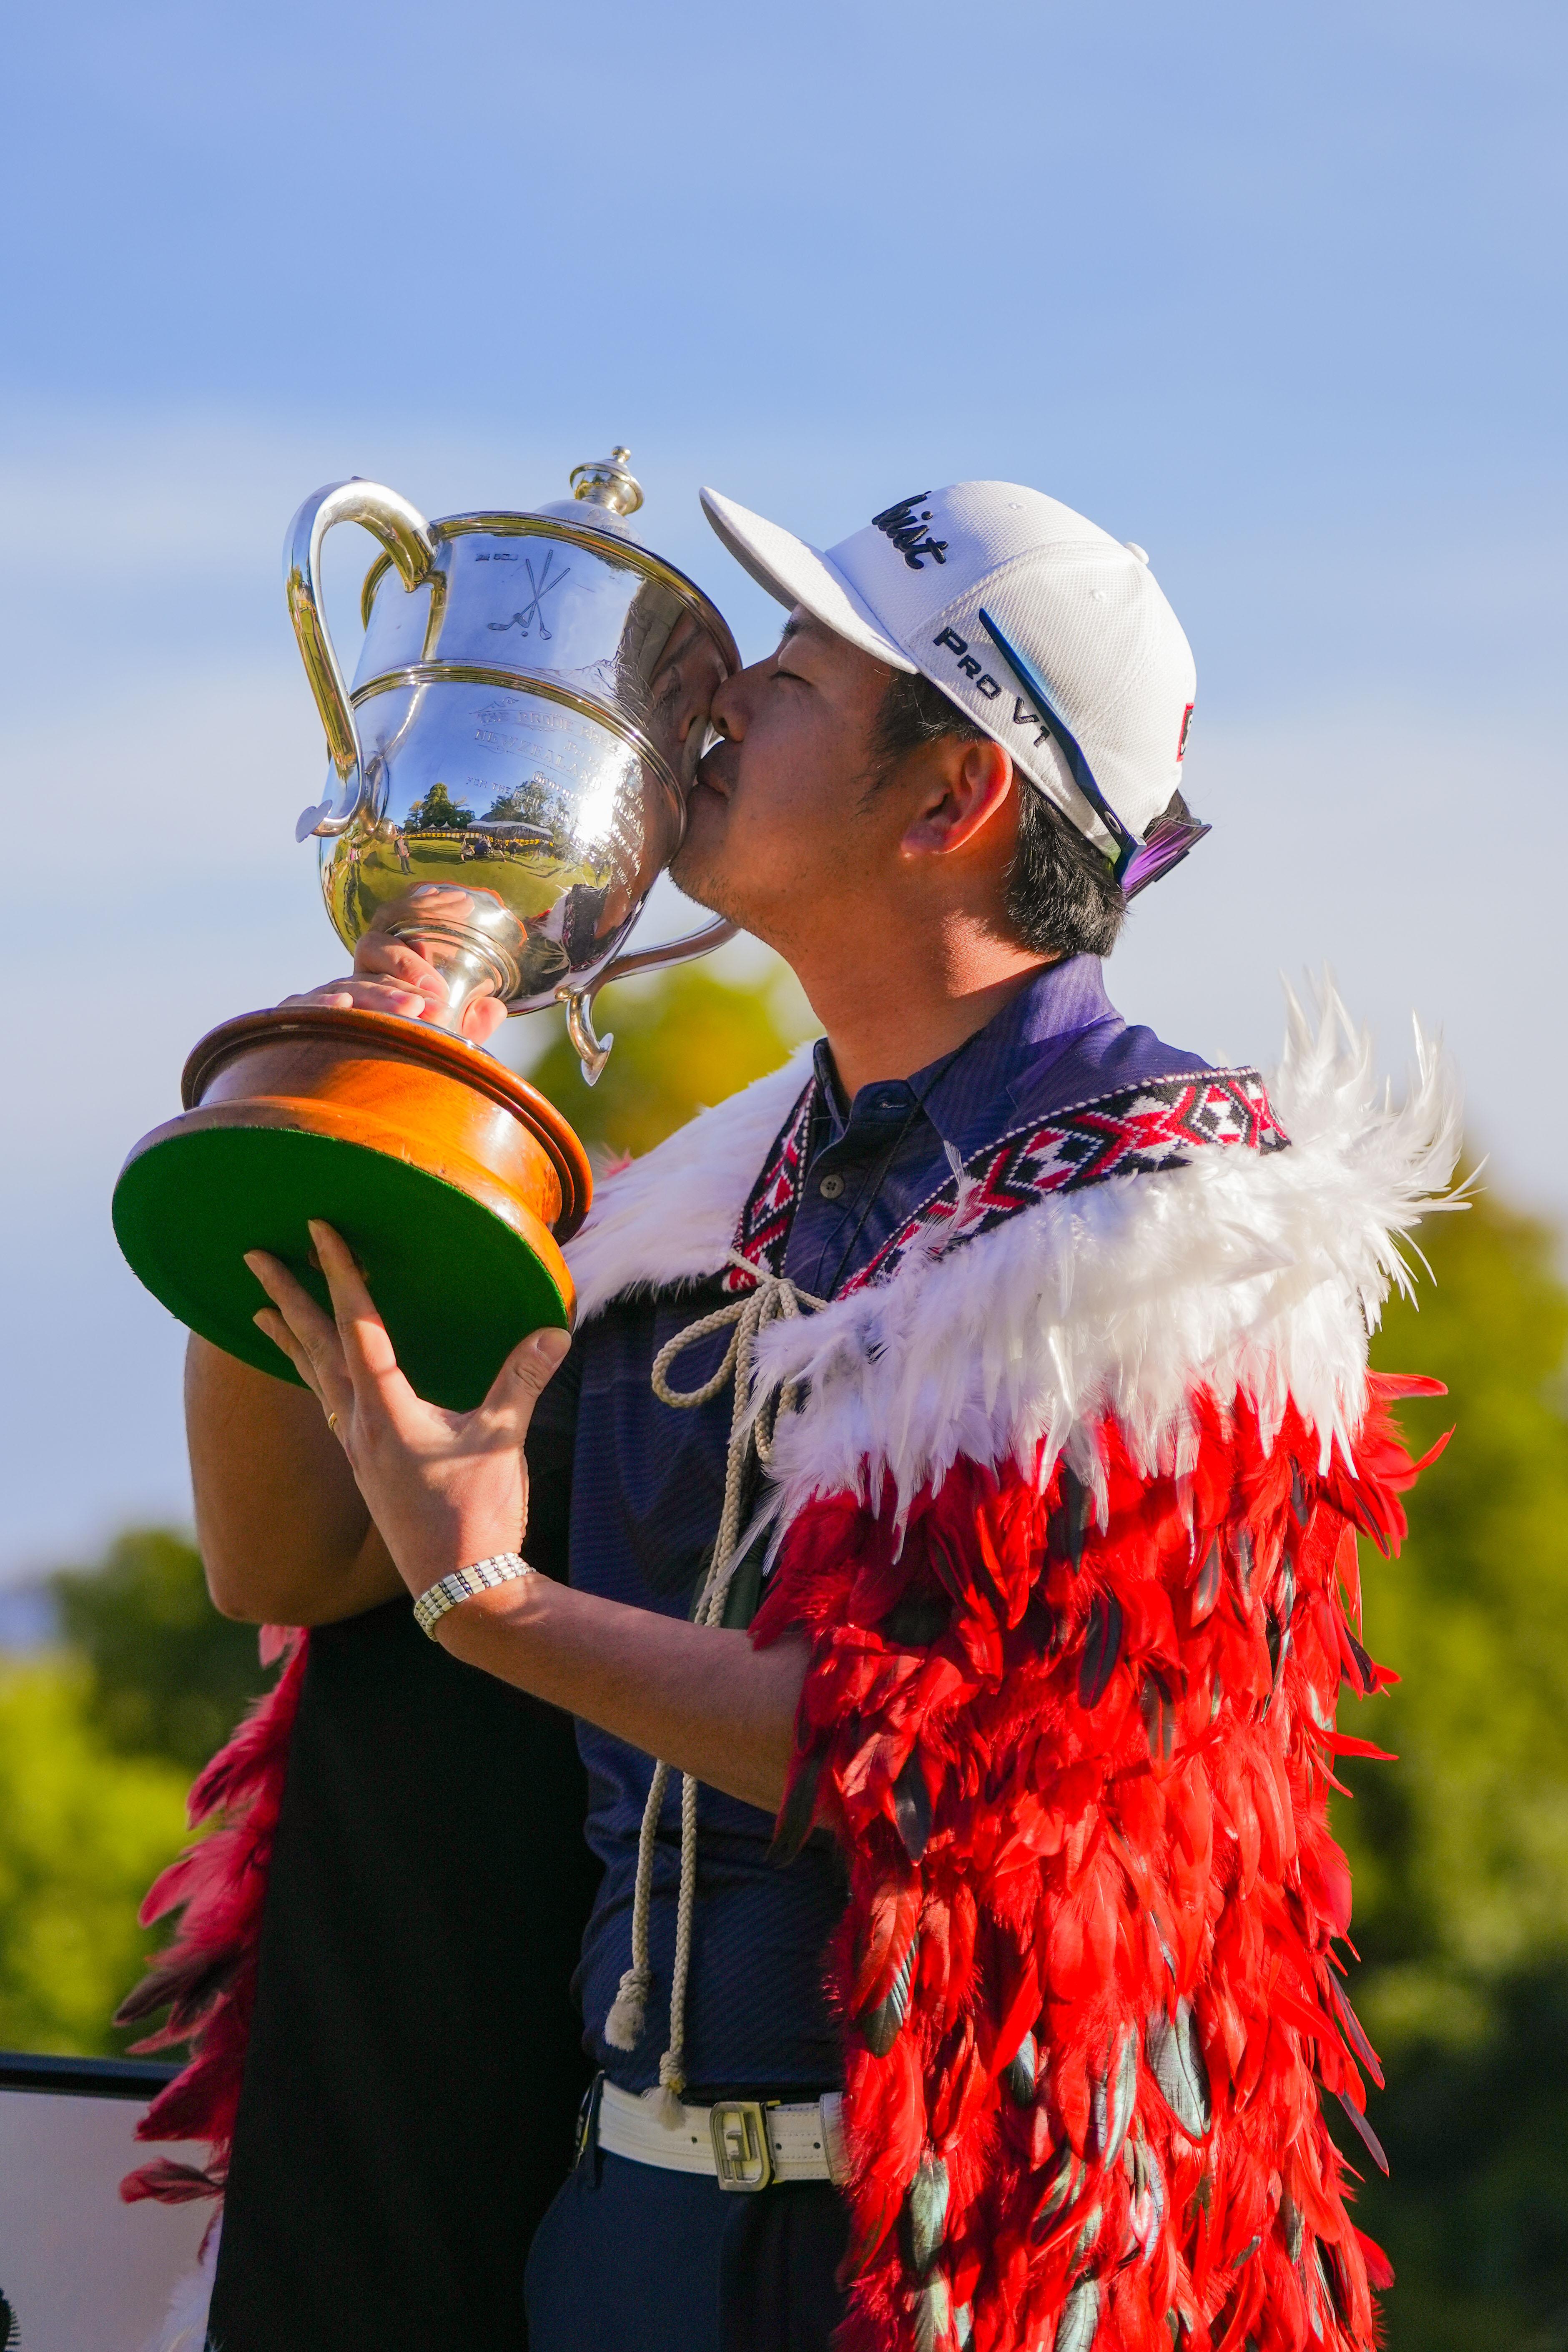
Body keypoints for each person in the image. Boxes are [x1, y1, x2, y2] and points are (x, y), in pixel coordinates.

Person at [156, 479, 1457, 2352]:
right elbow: (275, 1562)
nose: (707, 702)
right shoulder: (685, 1194)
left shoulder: (1192, 1239)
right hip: (602, 2244)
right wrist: (350, 1093)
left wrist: (500, 1608)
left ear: (948, 801)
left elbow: (989, 1772)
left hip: (955, 2275)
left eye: (786, 676)